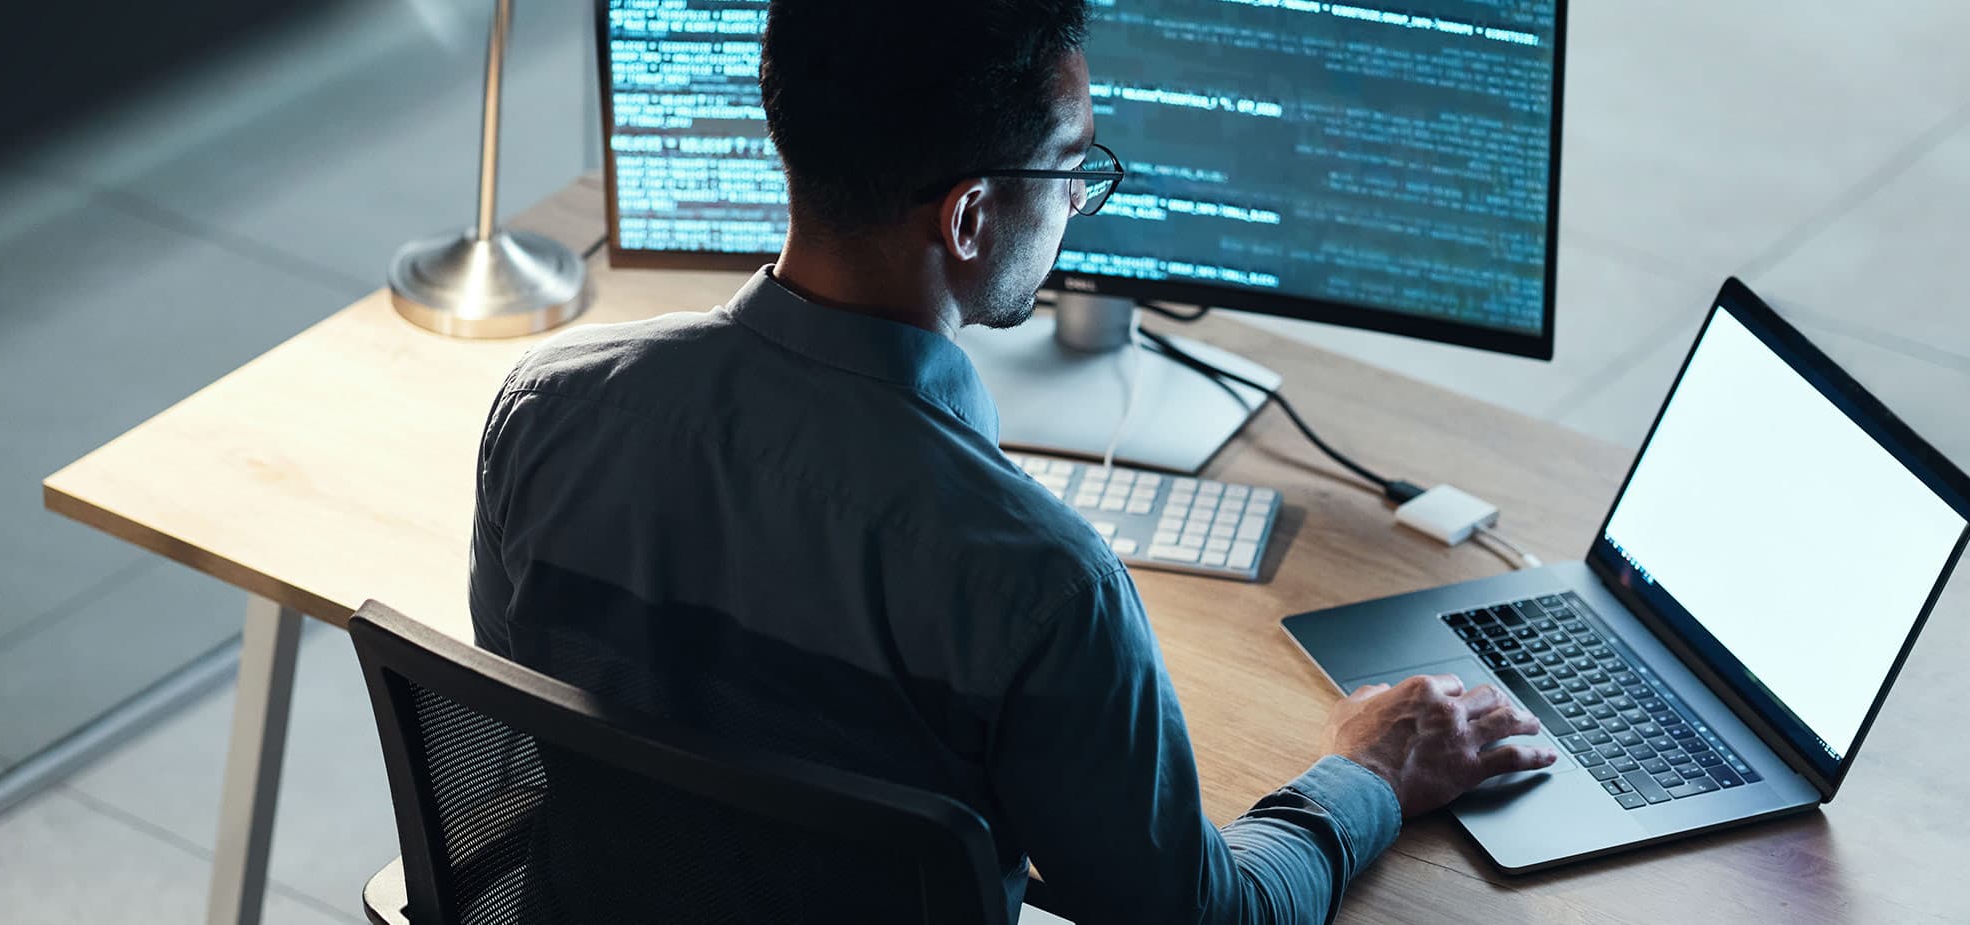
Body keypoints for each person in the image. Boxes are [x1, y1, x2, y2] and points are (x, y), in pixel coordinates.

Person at [468, 0, 1559, 920]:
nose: (1079, 201)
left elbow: (538, 735)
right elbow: (1196, 917)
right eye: (1073, 167)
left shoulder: (543, 409)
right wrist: (1369, 770)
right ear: (971, 216)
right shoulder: (1041, 582)